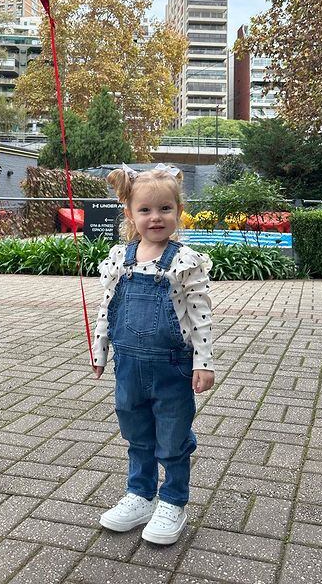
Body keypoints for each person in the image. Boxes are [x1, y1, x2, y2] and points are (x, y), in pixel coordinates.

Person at [92, 163, 215, 545]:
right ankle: (140, 495)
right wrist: (100, 350)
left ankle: (173, 500)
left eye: (165, 209)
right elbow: (106, 306)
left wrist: (204, 362)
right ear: (130, 214)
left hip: (173, 368)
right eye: (145, 210)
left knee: (173, 438)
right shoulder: (119, 257)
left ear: (179, 211)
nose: (155, 217)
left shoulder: (185, 260)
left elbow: (200, 315)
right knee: (137, 433)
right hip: (128, 366)